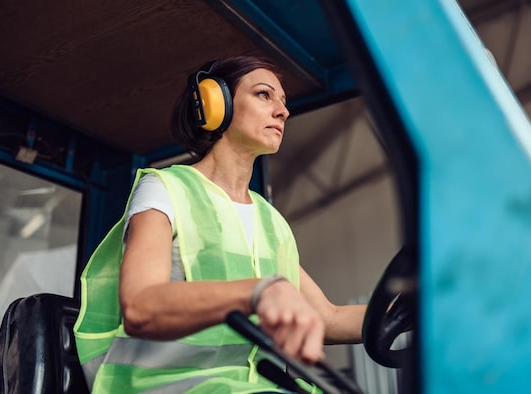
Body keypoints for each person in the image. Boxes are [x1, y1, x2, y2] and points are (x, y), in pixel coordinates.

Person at [74, 55, 366, 393]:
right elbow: (140, 306)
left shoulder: (270, 221)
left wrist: (421, 311)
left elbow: (326, 318)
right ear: (216, 103)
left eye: (283, 102)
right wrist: (258, 292)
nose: (283, 111)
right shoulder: (165, 189)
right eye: (263, 94)